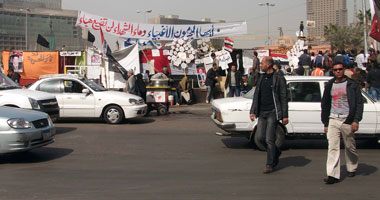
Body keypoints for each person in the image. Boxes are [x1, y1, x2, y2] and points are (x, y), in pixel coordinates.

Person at [321, 61, 364, 184]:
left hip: (347, 120)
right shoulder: (329, 85)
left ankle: (352, 166)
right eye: (335, 70)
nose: (338, 71)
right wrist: (325, 123)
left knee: (350, 146)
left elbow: (359, 104)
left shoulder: (352, 85)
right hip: (333, 119)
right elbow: (325, 104)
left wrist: (356, 120)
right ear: (332, 71)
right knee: (332, 147)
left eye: (340, 69)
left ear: (344, 69)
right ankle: (332, 175)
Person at [249, 56, 288, 174]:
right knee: (260, 137)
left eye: (262, 64)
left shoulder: (278, 78)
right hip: (262, 112)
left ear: (269, 65)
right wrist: (252, 111)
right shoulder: (261, 77)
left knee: (269, 139)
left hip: (272, 112)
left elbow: (283, 97)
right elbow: (256, 95)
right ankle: (276, 152)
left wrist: (285, 115)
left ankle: (269, 164)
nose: (260, 65)